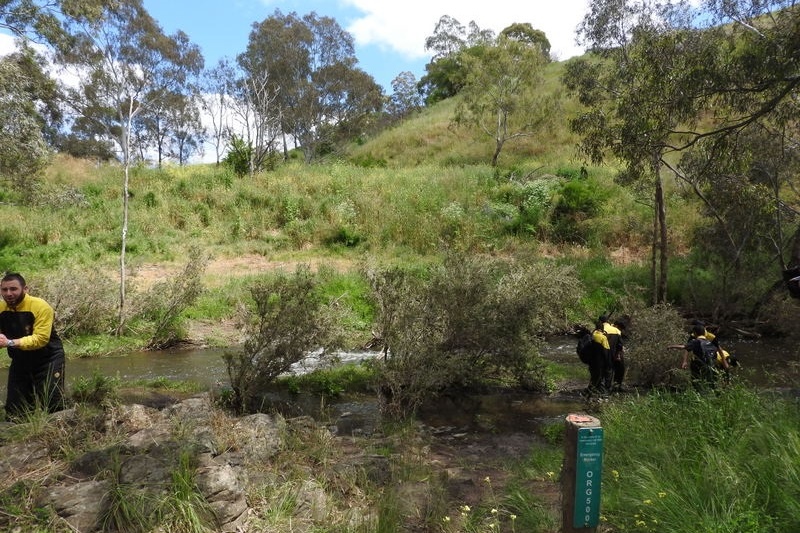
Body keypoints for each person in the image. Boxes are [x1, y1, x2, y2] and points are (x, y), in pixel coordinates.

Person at [0, 272, 66, 418]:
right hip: (20, 360)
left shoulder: (41, 306)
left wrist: (9, 342)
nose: (9, 293)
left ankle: (60, 435)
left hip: (48, 359)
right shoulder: (1, 308)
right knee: (15, 412)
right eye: (4, 290)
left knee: (53, 403)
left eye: (13, 289)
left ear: (25, 289)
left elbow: (41, 339)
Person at [669, 324, 727, 390]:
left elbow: (684, 347)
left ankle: (698, 390)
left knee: (697, 380)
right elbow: (718, 350)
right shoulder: (709, 341)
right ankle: (714, 392)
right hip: (711, 364)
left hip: (700, 365)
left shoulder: (695, 341)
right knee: (711, 382)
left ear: (695, 333)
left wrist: (671, 346)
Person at [599, 315, 625, 392]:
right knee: (619, 368)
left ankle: (601, 387)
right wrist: (618, 355)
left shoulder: (598, 329)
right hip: (611, 353)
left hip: (601, 353)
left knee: (603, 370)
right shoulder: (616, 331)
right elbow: (620, 345)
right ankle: (615, 386)